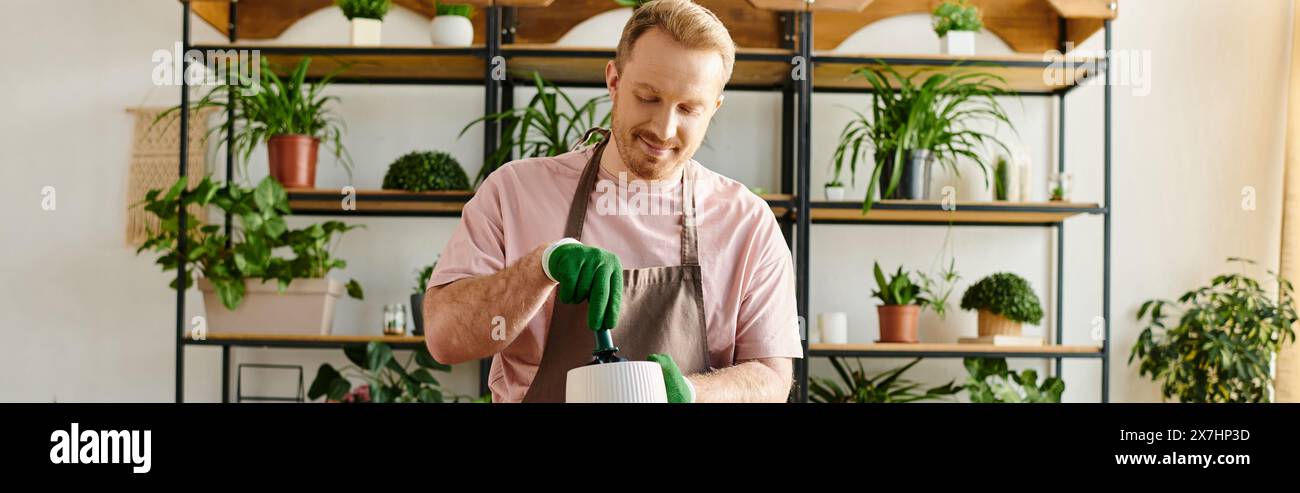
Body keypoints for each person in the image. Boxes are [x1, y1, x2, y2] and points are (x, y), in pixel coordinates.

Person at [423, 0, 802, 403]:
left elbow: (771, 379)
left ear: (714, 108)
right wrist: (540, 268)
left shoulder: (747, 222)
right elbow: (445, 340)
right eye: (648, 97)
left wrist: (692, 392)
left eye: (689, 108)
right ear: (614, 80)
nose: (664, 128)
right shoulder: (515, 191)